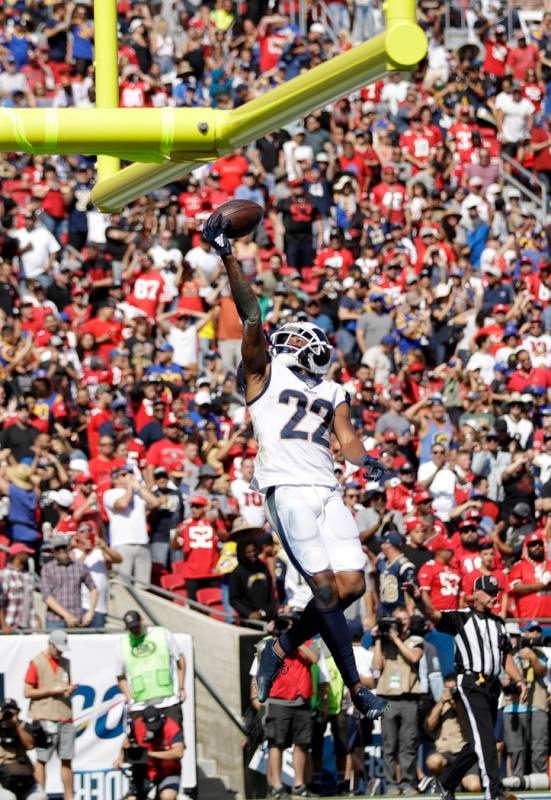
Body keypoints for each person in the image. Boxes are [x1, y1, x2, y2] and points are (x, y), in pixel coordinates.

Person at [202, 211, 388, 720]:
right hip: (286, 487)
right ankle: (356, 689)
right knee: (324, 588)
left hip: (327, 488)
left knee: (353, 586)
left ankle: (278, 649)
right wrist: (227, 254)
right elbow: (253, 317)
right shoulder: (263, 372)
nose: (314, 342)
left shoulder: (332, 389)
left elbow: (346, 439)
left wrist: (367, 461)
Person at [407, 575, 527, 800]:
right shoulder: (462, 618)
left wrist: (519, 680)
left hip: (492, 686)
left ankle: (445, 783)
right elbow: (433, 615)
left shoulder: (498, 623)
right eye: (490, 592)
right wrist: (418, 598)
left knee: (478, 742)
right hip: (471, 683)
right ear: (476, 593)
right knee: (487, 740)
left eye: (496, 592)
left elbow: (505, 657)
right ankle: (494, 791)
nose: (495, 596)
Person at [250, 622, 320, 799]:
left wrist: (296, 639)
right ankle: (276, 785)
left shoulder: (307, 643)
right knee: (276, 744)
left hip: (301, 700)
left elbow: (315, 658)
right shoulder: (268, 644)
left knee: (302, 744)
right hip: (278, 701)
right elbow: (256, 674)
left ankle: (299, 784)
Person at [372, 606, 424, 795]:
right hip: (387, 698)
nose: (402, 622)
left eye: (405, 618)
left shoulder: (415, 640)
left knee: (408, 744)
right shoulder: (384, 641)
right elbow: (376, 666)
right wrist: (378, 639)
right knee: (389, 744)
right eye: (398, 619)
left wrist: (395, 638)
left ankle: (409, 782)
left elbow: (413, 657)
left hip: (409, 698)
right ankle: (391, 783)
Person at [23, 630, 77, 800]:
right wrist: (51, 690)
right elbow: (27, 692)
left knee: (67, 759)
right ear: (50, 644)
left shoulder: (65, 663)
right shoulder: (37, 662)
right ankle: (40, 796)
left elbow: (64, 686)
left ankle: (69, 797)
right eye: (58, 649)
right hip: (44, 717)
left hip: (65, 715)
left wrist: (69, 690)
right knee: (42, 759)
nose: (60, 653)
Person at [115, 610, 187, 725]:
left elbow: (180, 659)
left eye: (136, 626)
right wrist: (129, 698)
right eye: (131, 628)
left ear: (142, 621)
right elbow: (120, 676)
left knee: (175, 741)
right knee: (143, 742)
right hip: (140, 705)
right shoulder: (122, 644)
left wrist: (182, 687)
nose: (135, 630)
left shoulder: (162, 633)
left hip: (168, 701)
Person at [501, 622, 549, 778]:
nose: (513, 640)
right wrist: (511, 681)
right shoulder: (502, 656)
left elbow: (543, 671)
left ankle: (540, 780)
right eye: (510, 637)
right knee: (515, 748)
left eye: (515, 637)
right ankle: (518, 781)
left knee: (539, 746)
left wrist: (532, 658)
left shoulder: (533, 651)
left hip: (536, 704)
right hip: (511, 706)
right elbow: (502, 680)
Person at [103, 465, 161, 584]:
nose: (128, 477)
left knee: (143, 585)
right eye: (123, 475)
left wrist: (139, 488)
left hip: (142, 542)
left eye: (130, 474)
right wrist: (130, 487)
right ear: (115, 480)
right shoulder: (110, 493)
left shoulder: (138, 493)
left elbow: (155, 503)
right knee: (123, 584)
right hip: (123, 543)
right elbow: (122, 504)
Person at [424, 673, 481, 792]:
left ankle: (457, 783)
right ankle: (442, 782)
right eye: (447, 689)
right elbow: (429, 726)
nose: (450, 692)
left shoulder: (467, 705)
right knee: (433, 761)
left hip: (464, 752)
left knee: (475, 786)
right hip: (444, 753)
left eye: (453, 689)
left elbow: (467, 721)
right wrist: (441, 702)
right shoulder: (440, 705)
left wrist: (456, 703)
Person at [114, 704, 183, 800]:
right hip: (146, 772)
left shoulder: (171, 727)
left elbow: (179, 752)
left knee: (167, 796)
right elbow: (126, 742)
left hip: (169, 772)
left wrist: (151, 754)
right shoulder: (137, 725)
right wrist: (120, 758)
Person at [40, 534, 98, 630]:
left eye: (64, 547)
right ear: (53, 551)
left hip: (77, 619)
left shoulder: (80, 566)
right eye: (58, 548)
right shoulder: (47, 569)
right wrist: (66, 615)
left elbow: (93, 589)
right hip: (55, 621)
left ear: (68, 548)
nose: (61, 550)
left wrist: (91, 612)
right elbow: (46, 597)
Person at [0, 698, 47, 800]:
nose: (10, 713)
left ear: (18, 712)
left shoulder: (23, 725)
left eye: (13, 710)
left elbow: (30, 746)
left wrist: (16, 725)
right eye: (7, 710)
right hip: (3, 776)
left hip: (24, 773)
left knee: (41, 798)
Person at [0, 543, 37, 631]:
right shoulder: (5, 574)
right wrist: (4, 625)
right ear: (18, 555)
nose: (28, 556)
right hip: (10, 626)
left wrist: (36, 618)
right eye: (26, 554)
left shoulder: (26, 575)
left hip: (28, 626)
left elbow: (29, 601)